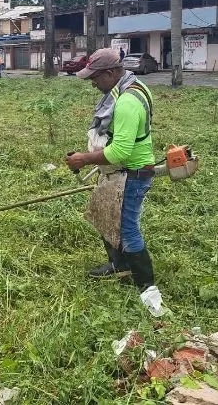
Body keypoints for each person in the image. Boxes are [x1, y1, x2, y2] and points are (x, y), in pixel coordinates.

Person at [66, 48, 156, 291]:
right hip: (120, 171)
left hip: (133, 173)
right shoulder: (131, 86)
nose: (93, 83)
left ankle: (145, 284)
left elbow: (119, 152)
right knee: (107, 217)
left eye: (96, 78)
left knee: (127, 229)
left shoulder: (127, 101)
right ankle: (119, 264)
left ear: (111, 72)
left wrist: (84, 158)